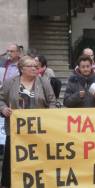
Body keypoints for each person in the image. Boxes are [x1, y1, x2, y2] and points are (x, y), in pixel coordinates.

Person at [0, 55, 56, 187]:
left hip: (38, 131)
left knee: (38, 159)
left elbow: (52, 101)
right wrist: (3, 108)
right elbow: (0, 99)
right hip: (15, 131)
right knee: (12, 159)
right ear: (21, 69)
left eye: (36, 66)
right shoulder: (10, 82)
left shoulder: (44, 82)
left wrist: (49, 114)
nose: (35, 68)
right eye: (31, 66)